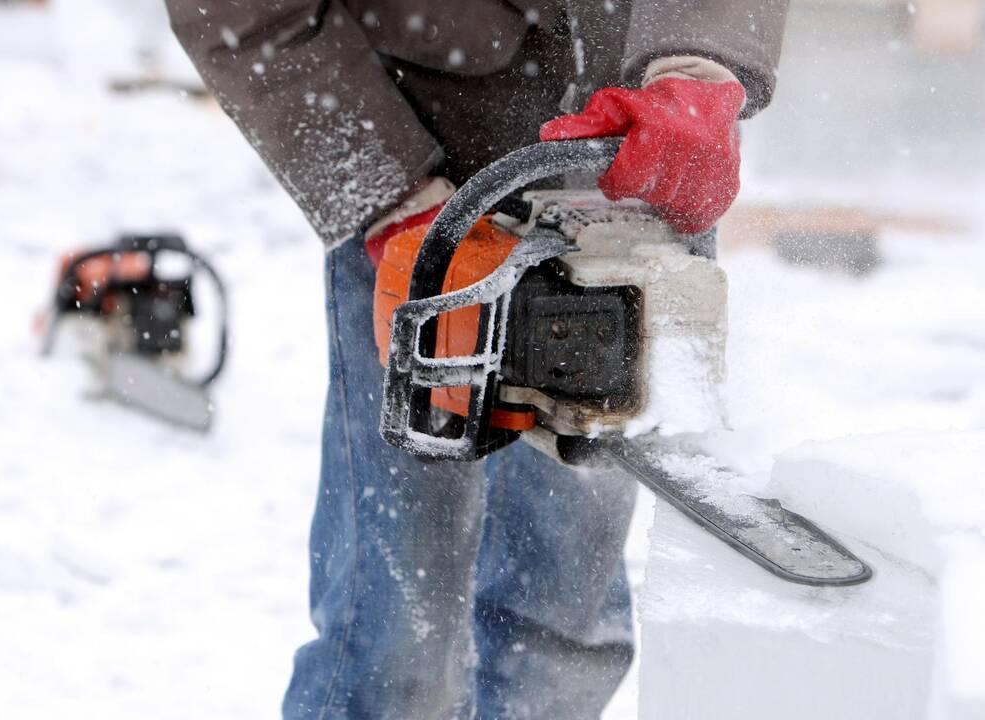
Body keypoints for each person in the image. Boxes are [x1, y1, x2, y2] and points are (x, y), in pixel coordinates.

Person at [164, 2, 788, 717]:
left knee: (561, 623)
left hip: (635, 186)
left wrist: (696, 70)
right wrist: (393, 195)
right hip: (422, 178)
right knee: (396, 640)